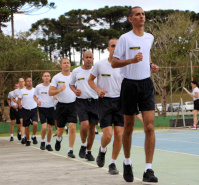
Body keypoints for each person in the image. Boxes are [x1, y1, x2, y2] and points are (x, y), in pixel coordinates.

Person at [112, 7, 159, 183]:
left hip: (146, 84)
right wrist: (131, 60)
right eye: (138, 14)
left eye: (143, 14)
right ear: (131, 19)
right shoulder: (125, 38)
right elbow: (115, 63)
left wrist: (151, 64)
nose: (141, 16)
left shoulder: (150, 37)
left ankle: (148, 169)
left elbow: (146, 56)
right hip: (129, 85)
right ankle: (127, 162)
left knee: (149, 127)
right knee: (129, 126)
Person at [88, 38, 123, 175]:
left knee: (119, 135)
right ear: (108, 48)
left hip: (120, 102)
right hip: (104, 102)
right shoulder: (99, 65)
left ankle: (112, 163)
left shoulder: (124, 65)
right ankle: (102, 150)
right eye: (113, 46)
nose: (115, 48)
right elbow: (90, 80)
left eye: (117, 46)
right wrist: (98, 90)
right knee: (108, 135)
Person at [70, 51, 98, 161]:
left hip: (94, 102)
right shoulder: (76, 71)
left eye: (90, 57)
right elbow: (71, 84)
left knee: (92, 127)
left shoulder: (96, 70)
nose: (88, 59)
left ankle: (88, 151)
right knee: (84, 125)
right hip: (81, 101)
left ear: (93, 59)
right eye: (86, 57)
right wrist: (74, 91)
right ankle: (83, 144)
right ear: (83, 58)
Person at [49, 58, 77, 158]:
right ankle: (58, 139)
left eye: (68, 63)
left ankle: (70, 150)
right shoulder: (56, 77)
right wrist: (59, 90)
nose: (66, 64)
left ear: (70, 65)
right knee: (60, 130)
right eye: (64, 63)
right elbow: (50, 92)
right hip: (61, 106)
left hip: (72, 105)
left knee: (72, 127)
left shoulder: (74, 76)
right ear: (61, 65)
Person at [34, 72, 55, 151]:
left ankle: (48, 144)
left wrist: (56, 101)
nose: (46, 77)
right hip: (42, 108)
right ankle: (43, 141)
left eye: (48, 76)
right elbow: (34, 96)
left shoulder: (53, 86)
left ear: (50, 77)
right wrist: (37, 102)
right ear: (42, 77)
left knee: (50, 128)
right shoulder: (38, 87)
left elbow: (56, 95)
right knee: (44, 127)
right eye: (45, 76)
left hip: (51, 108)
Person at [18, 78, 38, 146]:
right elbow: (19, 99)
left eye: (30, 81)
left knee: (35, 123)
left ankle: (34, 136)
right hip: (25, 110)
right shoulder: (22, 91)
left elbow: (38, 98)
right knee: (26, 127)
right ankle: (28, 140)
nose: (29, 82)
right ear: (25, 82)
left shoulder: (35, 90)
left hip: (34, 109)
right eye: (28, 81)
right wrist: (19, 104)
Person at [13, 78, 26, 144]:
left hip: (27, 108)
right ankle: (19, 132)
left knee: (24, 122)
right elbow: (13, 98)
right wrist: (18, 102)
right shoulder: (16, 91)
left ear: (24, 82)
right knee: (20, 123)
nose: (21, 83)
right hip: (20, 108)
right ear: (18, 83)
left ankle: (24, 137)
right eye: (20, 82)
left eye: (22, 81)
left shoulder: (27, 89)